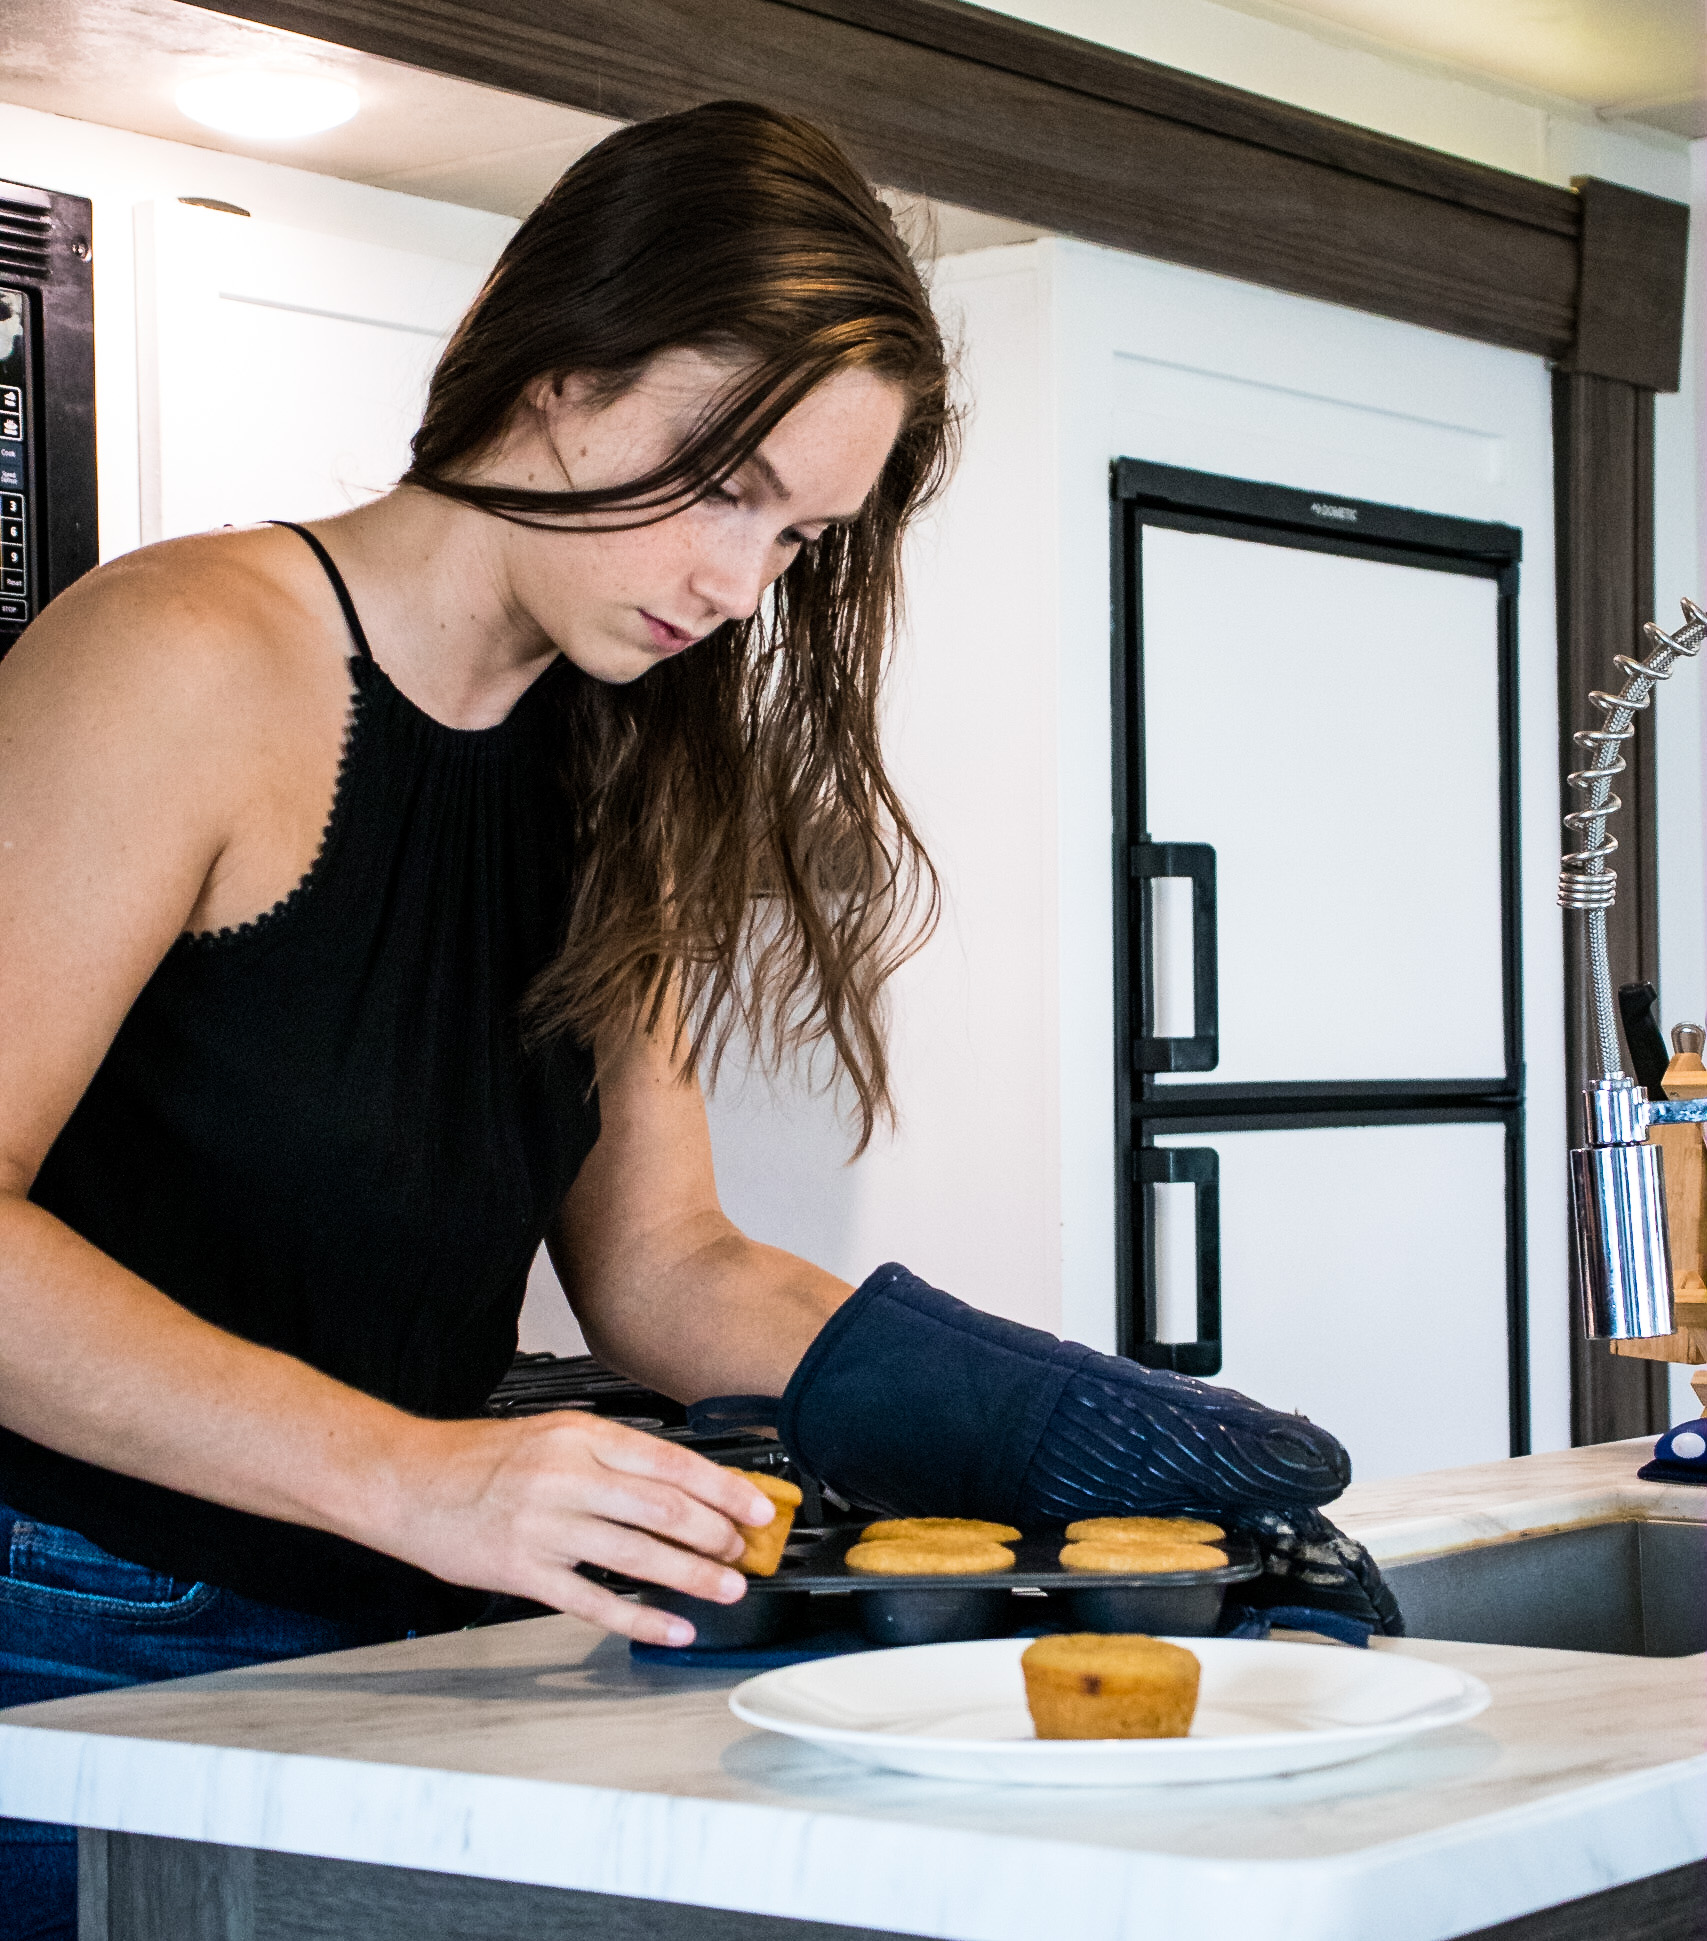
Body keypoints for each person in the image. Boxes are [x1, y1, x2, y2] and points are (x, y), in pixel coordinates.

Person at [0, 103, 1393, 1941]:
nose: (743, 588)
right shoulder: (182, 652)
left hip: (397, 1622)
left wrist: (1049, 1409)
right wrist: (419, 1471)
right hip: (71, 1627)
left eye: (802, 536)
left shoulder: (607, 755)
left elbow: (662, 1264)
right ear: (563, 368)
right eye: (724, 486)